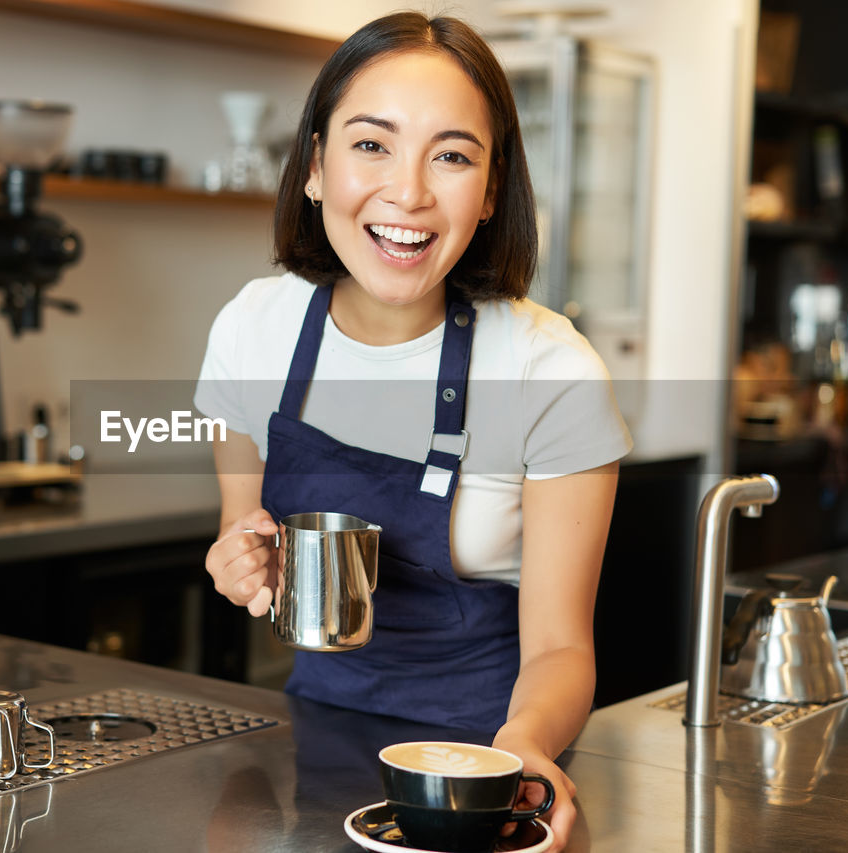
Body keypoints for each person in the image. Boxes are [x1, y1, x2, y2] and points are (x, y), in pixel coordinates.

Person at [193, 12, 632, 848]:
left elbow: (562, 647)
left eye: (453, 155)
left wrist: (526, 745)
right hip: (311, 743)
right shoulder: (254, 328)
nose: (409, 193)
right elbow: (242, 539)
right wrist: (241, 565)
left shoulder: (551, 369)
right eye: (371, 145)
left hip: (486, 767)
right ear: (316, 165)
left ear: (493, 188)